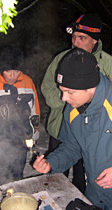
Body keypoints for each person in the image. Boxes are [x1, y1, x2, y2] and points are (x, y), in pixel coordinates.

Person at [41, 13, 112, 193]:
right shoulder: (62, 60)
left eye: (82, 38)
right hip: (69, 128)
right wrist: (51, 163)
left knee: (81, 174)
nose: (76, 42)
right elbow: (73, 147)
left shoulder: (108, 64)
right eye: (74, 37)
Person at [33, 48, 112, 209]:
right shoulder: (73, 108)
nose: (63, 98)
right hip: (96, 195)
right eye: (62, 91)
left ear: (90, 87)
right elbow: (72, 146)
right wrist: (51, 163)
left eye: (70, 92)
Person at [0, 46, 40, 187]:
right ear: (1, 69)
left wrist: (34, 134)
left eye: (16, 71)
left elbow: (35, 112)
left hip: (21, 144)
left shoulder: (28, 82)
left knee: (17, 178)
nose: (12, 76)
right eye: (8, 71)